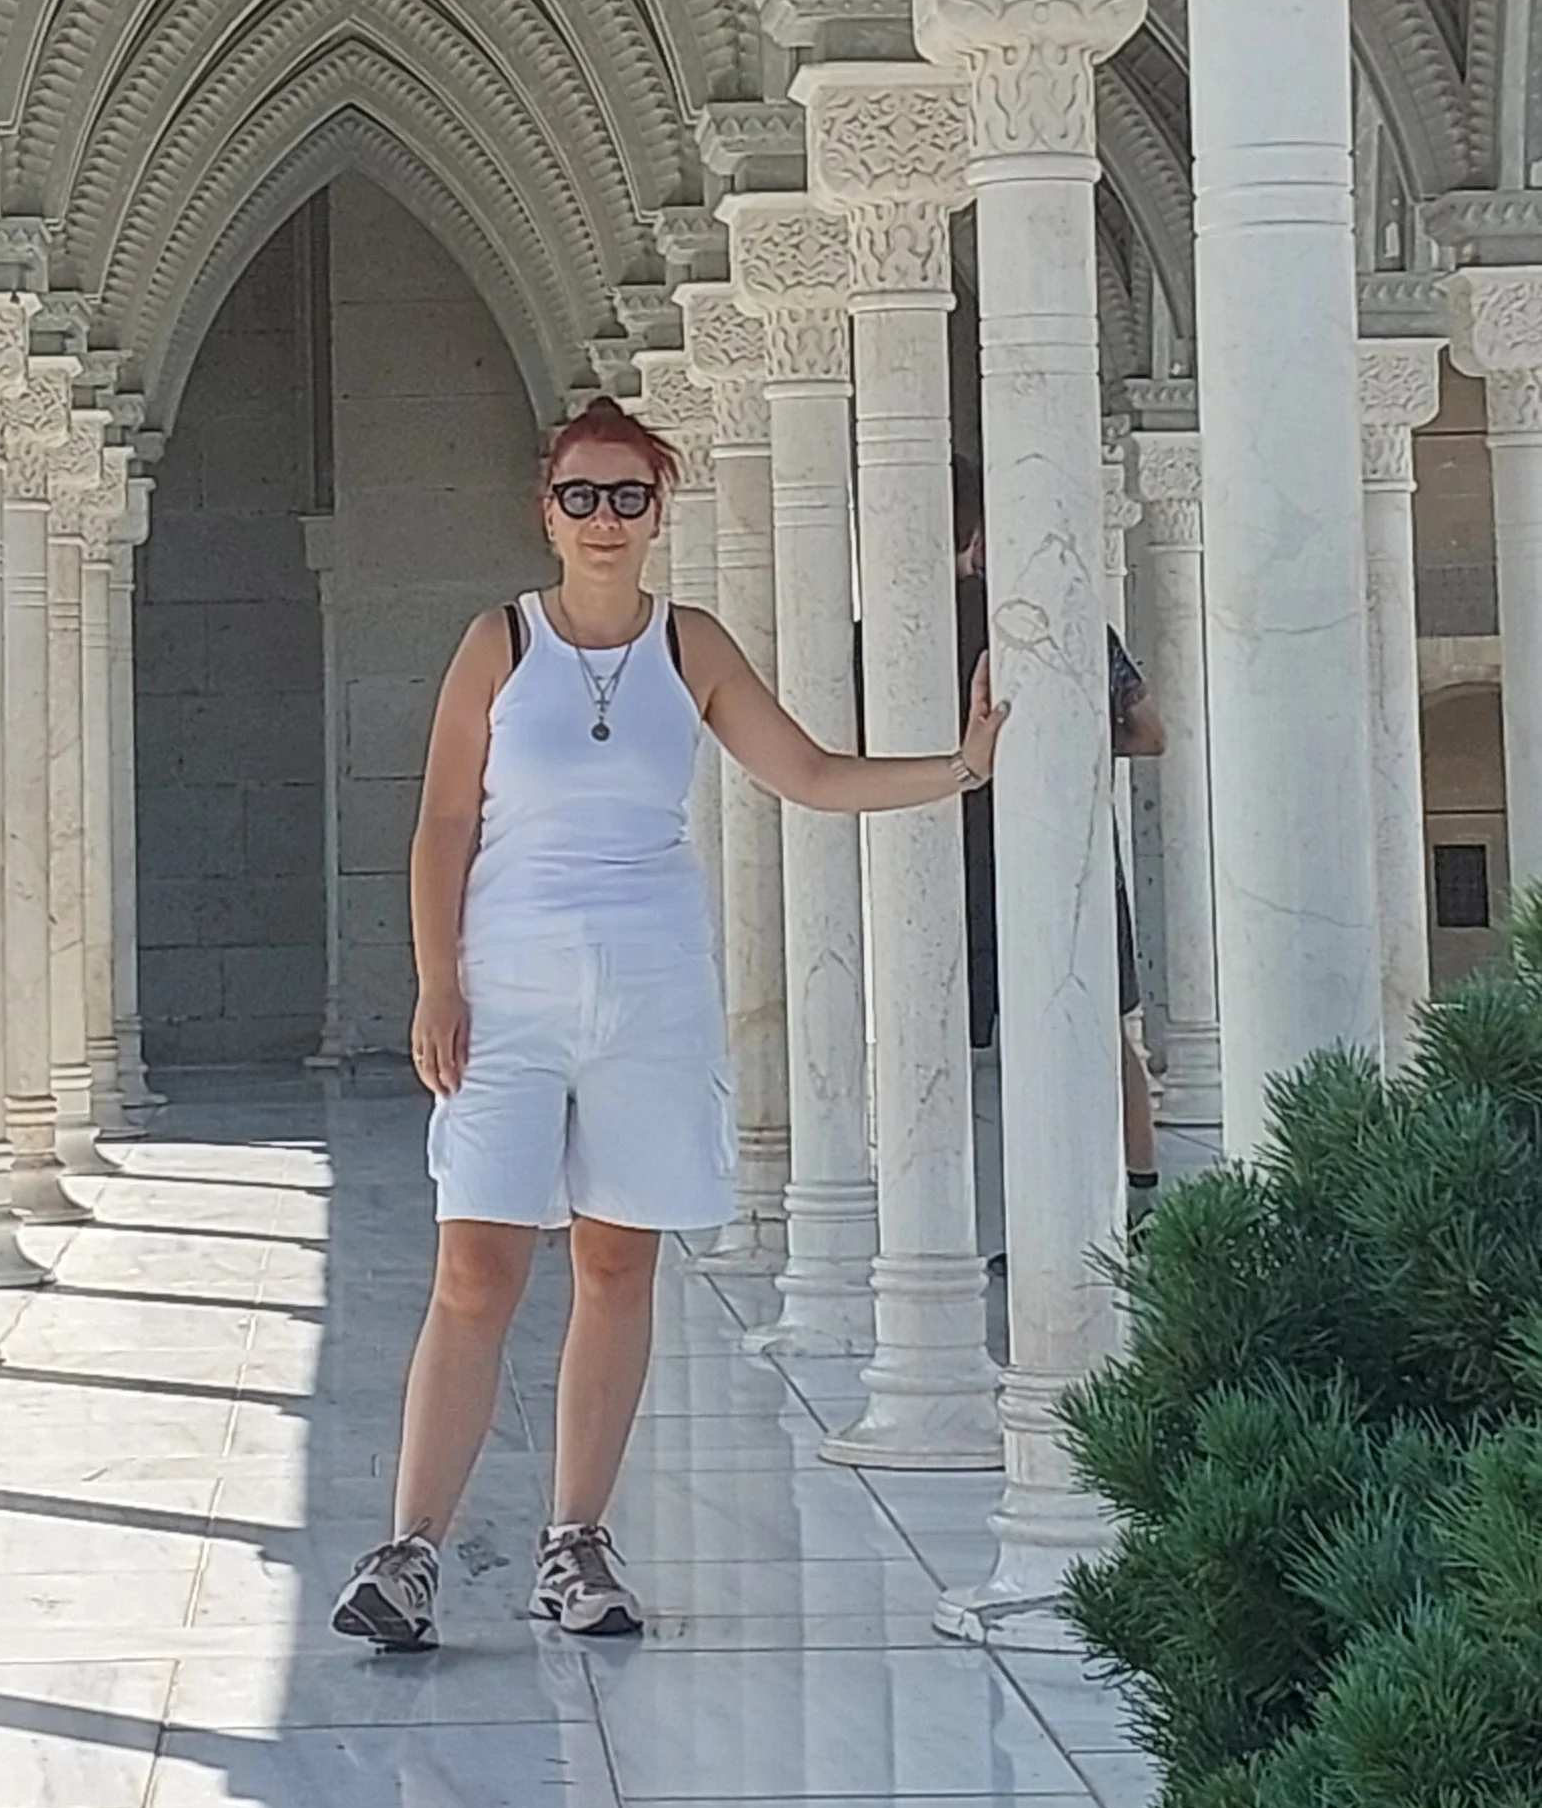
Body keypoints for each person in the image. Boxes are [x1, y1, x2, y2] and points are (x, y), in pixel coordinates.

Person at [332, 396, 1008, 1653]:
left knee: (614, 1265)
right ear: (545, 510)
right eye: (579, 496)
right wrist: (436, 979)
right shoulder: (499, 642)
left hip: (649, 991)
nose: (601, 518)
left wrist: (958, 770)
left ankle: (572, 1543)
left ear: (658, 510)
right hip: (509, 993)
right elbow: (439, 824)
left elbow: (803, 772)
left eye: (625, 496)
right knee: (474, 1269)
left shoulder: (687, 645)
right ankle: (409, 1550)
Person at [950, 456, 1164, 1204]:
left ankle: (1017, 1211)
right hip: (1060, 839)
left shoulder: (904, 633)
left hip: (959, 848)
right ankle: (1130, 1196)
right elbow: (1147, 732)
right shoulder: (1075, 626)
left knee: (981, 1035)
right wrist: (1065, 742)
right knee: (1098, 1022)